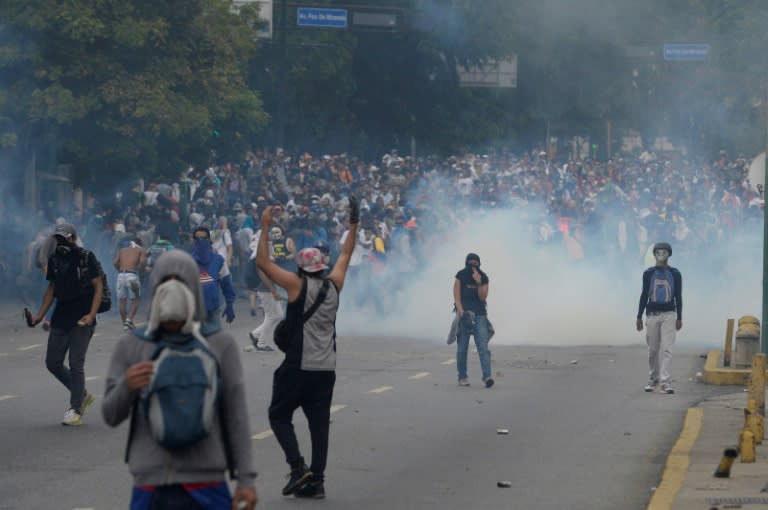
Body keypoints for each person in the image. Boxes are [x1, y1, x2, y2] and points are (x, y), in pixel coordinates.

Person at [101, 250, 258, 510]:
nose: (172, 290)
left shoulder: (219, 343)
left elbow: (236, 415)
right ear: (154, 287)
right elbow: (110, 414)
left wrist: (246, 479)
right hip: (151, 484)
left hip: (207, 483)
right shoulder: (132, 344)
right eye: (166, 282)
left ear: (194, 288)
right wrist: (127, 386)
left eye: (181, 282)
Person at [256, 197, 359, 499]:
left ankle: (298, 466)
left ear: (301, 269)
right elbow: (347, 254)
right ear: (322, 267)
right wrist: (353, 225)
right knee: (319, 426)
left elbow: (262, 263)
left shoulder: (295, 285)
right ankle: (317, 481)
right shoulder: (334, 284)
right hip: (325, 369)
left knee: (278, 415)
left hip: (298, 366)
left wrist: (264, 227)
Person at [29, 223, 103, 426]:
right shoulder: (54, 259)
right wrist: (39, 316)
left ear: (73, 239)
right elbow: (51, 289)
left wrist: (92, 313)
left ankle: (75, 409)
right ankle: (83, 395)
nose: (61, 243)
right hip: (60, 317)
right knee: (52, 363)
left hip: (82, 317)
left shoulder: (86, 257)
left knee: (76, 363)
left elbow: (99, 286)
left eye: (64, 239)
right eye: (57, 240)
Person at [636, 241, 682, 395]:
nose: (661, 255)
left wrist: (679, 317)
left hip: (669, 314)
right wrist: (639, 316)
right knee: (653, 350)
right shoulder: (648, 273)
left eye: (664, 252)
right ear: (654, 254)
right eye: (658, 252)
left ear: (669, 254)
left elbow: (678, 296)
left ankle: (666, 382)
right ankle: (653, 378)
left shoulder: (675, 273)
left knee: (667, 348)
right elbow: (644, 295)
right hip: (652, 314)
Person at [453, 253, 494, 388]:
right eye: (471, 263)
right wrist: (462, 313)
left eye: (476, 263)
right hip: (465, 314)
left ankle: (487, 377)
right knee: (462, 349)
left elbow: (482, 297)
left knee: (482, 347)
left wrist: (478, 282)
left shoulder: (484, 277)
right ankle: (462, 377)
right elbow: (457, 298)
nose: (473, 266)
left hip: (480, 315)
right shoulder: (460, 276)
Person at [190, 227, 236, 327]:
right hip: (193, 312)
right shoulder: (187, 262)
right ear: (193, 240)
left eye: (204, 238)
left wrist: (230, 303)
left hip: (213, 310)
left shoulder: (219, 260)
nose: (201, 241)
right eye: (198, 239)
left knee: (213, 341)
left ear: (209, 240)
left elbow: (226, 282)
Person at [113, 237, 147, 330]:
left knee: (122, 301)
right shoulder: (141, 250)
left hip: (120, 275)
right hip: (132, 276)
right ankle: (129, 320)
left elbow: (115, 262)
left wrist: (119, 270)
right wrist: (143, 270)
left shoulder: (122, 250)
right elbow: (143, 262)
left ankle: (125, 323)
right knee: (136, 300)